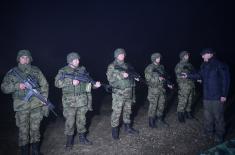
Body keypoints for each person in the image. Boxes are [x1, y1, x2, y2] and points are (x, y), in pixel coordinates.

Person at [1, 50, 49, 155]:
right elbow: (4, 88)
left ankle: (35, 151)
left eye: (27, 57)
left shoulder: (36, 70)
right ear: (19, 59)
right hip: (21, 106)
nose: (25, 59)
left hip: (36, 105)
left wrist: (44, 99)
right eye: (22, 57)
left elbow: (44, 85)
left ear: (30, 58)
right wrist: (17, 86)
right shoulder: (12, 72)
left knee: (35, 129)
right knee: (23, 131)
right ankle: (24, 152)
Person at [181, 48, 230, 143]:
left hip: (217, 96)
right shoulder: (204, 65)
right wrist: (188, 75)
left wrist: (224, 94)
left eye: (204, 54)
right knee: (207, 116)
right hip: (207, 96)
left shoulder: (220, 65)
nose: (202, 56)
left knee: (218, 116)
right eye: (202, 55)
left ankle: (219, 134)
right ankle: (208, 132)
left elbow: (226, 80)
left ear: (210, 54)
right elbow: (199, 75)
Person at [54, 52, 101, 150]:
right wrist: (71, 82)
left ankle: (82, 138)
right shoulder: (63, 70)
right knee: (70, 122)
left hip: (82, 100)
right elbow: (57, 83)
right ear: (70, 61)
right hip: (69, 102)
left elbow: (88, 84)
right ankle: (69, 142)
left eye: (78, 59)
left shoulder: (82, 70)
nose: (77, 61)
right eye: (75, 59)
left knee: (82, 120)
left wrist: (95, 86)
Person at [106, 48, 139, 140]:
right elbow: (110, 79)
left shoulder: (127, 65)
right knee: (117, 112)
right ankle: (115, 132)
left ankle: (128, 128)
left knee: (128, 111)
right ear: (116, 56)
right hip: (118, 93)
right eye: (120, 54)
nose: (122, 55)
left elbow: (131, 77)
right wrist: (121, 75)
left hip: (128, 91)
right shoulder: (112, 66)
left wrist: (134, 77)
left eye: (123, 54)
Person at [144, 53, 173, 128]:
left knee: (161, 105)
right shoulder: (149, 68)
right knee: (153, 106)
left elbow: (164, 78)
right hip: (153, 90)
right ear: (153, 59)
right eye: (157, 58)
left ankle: (160, 120)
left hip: (162, 90)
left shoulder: (161, 67)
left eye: (159, 57)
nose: (159, 59)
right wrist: (158, 79)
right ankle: (151, 122)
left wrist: (168, 84)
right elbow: (148, 79)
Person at [175, 51, 195, 123]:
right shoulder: (179, 65)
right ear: (182, 56)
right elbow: (178, 76)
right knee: (183, 101)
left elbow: (193, 73)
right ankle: (180, 115)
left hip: (191, 85)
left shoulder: (189, 65)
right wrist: (184, 78)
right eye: (186, 55)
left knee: (190, 100)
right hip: (184, 85)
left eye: (188, 55)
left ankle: (188, 113)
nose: (188, 56)